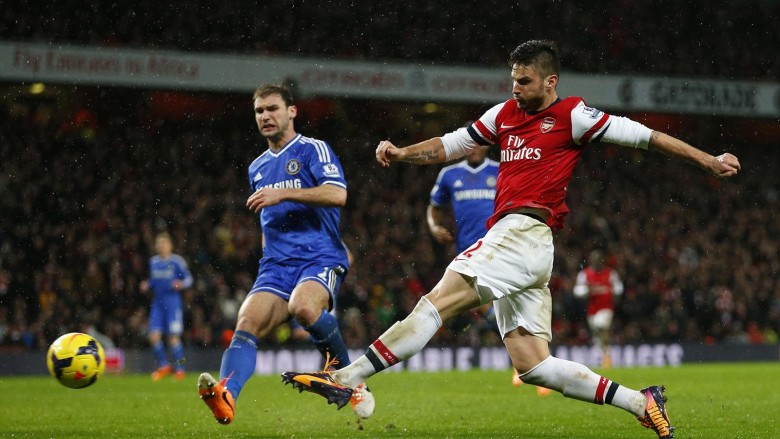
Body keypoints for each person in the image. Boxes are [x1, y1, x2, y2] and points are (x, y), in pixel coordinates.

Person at [282, 40, 741, 439]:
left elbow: (647, 137)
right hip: (526, 247)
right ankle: (642, 404)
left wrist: (707, 161)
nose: (515, 88)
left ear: (550, 81)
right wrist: (402, 153)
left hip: (522, 233)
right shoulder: (504, 115)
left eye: (524, 81)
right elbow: (449, 144)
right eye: (513, 80)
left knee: (436, 302)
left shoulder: (574, 114)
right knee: (534, 365)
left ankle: (348, 376)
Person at [197, 83, 374, 424]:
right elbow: (267, 219)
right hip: (276, 265)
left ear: (292, 111)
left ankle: (352, 382)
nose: (265, 116)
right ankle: (226, 396)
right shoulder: (257, 167)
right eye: (259, 111)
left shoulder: (313, 150)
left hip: (319, 255)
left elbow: (337, 194)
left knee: (303, 306)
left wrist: (283, 194)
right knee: (246, 324)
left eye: (273, 108)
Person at [140, 232, 193, 381]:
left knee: (173, 337)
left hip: (172, 303)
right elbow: (153, 281)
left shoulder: (177, 262)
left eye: (164, 243)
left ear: (171, 246)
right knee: (154, 336)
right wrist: (147, 284)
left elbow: (189, 279)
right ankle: (164, 366)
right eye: (159, 243)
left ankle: (180, 368)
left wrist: (181, 284)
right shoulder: (153, 262)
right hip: (157, 303)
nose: (162, 246)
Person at [573, 249, 624, 369]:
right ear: (591, 260)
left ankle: (606, 355)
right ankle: (606, 356)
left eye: (598, 259)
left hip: (606, 308)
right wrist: (586, 291)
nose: (596, 262)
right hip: (592, 310)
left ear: (602, 260)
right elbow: (577, 291)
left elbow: (618, 288)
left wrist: (615, 296)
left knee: (600, 324)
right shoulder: (585, 274)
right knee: (597, 336)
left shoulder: (610, 273)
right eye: (594, 259)